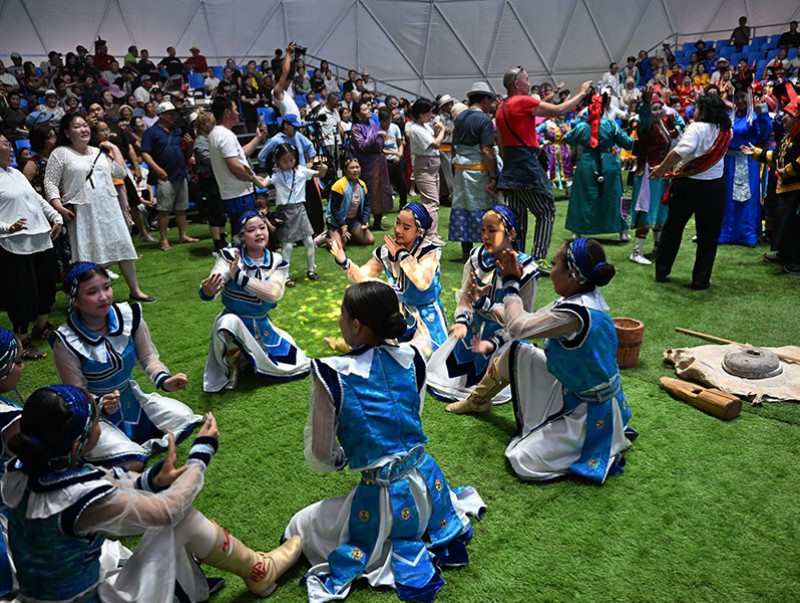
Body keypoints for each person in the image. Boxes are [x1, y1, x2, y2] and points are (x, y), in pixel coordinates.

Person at [2, 385, 303, 602]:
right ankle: (260, 570)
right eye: (95, 422)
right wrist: (201, 454)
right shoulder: (78, 497)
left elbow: (98, 481)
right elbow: (168, 510)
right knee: (183, 519)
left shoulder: (19, 470)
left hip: (44, 594)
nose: (99, 425)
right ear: (75, 445)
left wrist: (151, 481)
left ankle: (203, 582)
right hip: (87, 598)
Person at [284, 280, 485, 602]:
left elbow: (322, 453)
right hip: (432, 489)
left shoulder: (332, 373)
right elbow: (413, 417)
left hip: (382, 497)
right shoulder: (413, 358)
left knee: (302, 523)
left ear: (356, 325)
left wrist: (344, 457)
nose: (339, 321)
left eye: (342, 314)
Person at [447, 238, 636, 484]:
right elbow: (525, 321)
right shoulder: (579, 300)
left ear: (571, 275)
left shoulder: (575, 314)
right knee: (516, 351)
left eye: (555, 264)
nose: (551, 270)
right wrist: (484, 303)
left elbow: (519, 327)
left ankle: (593, 444)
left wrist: (511, 284)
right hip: (573, 387)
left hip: (589, 410)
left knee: (521, 458)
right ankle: (477, 401)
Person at [50, 262, 203, 469]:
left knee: (183, 416)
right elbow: (76, 392)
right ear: (73, 299)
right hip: (95, 412)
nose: (104, 297)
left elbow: (147, 357)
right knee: (130, 459)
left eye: (106, 287)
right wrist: (101, 404)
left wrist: (165, 380)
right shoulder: (66, 340)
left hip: (130, 396)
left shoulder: (129, 315)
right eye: (92, 292)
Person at [427, 206, 538, 403]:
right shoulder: (477, 258)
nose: (485, 236)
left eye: (492, 230)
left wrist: (487, 310)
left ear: (511, 233)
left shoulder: (525, 269)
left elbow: (522, 319)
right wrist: (461, 321)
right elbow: (465, 298)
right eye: (483, 230)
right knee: (444, 375)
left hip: (505, 335)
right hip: (473, 331)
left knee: (494, 380)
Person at [43, 113, 155, 303]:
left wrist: (113, 148)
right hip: (83, 211)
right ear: (67, 132)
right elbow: (50, 183)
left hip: (109, 208)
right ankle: (91, 296)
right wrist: (57, 205)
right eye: (77, 126)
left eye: (85, 125)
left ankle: (135, 290)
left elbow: (120, 172)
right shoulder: (60, 153)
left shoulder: (98, 152)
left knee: (123, 248)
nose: (83, 129)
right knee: (88, 253)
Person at [200, 211, 310, 391]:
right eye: (251, 230)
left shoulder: (277, 261)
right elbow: (216, 279)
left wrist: (240, 278)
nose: (259, 233)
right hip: (235, 319)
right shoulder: (230, 256)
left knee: (298, 362)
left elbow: (273, 294)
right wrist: (208, 290)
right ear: (242, 236)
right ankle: (233, 368)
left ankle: (249, 358)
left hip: (261, 324)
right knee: (227, 322)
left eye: (262, 227)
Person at [496, 66, 592, 268]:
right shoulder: (523, 102)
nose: (530, 83)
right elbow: (560, 110)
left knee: (518, 216)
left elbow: (501, 143)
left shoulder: (501, 107)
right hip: (527, 164)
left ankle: (516, 256)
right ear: (517, 84)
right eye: (527, 79)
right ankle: (538, 257)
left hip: (511, 167)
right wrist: (582, 93)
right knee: (546, 210)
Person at [329, 202, 447, 356]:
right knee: (387, 350)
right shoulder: (386, 252)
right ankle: (357, 344)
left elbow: (423, 283)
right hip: (400, 313)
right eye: (397, 222)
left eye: (406, 227)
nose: (398, 230)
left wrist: (402, 255)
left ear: (420, 231)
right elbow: (363, 277)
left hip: (427, 316)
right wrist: (345, 262)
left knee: (423, 356)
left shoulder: (428, 252)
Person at [651, 93, 733, 289]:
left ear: (703, 110)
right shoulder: (726, 130)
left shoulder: (696, 128)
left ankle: (662, 270)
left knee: (673, 228)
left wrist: (661, 169)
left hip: (688, 185)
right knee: (709, 236)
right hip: (715, 187)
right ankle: (701, 279)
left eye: (696, 107)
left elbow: (679, 152)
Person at [0, 133, 62, 362]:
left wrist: (56, 216)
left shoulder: (16, 173)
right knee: (22, 294)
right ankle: (21, 341)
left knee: (47, 286)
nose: (10, 148)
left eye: (9, 143)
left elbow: (37, 199)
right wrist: (8, 228)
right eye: (5, 144)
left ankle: (42, 326)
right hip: (14, 245)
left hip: (40, 239)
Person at [743, 95, 800, 274]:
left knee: (795, 225)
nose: (782, 118)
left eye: (786, 115)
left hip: (796, 187)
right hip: (786, 186)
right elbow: (777, 156)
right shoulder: (790, 136)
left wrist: (788, 171)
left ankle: (797, 260)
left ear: (796, 117)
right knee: (785, 222)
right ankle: (785, 253)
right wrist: (756, 152)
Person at [564, 93, 635, 239]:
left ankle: (577, 231)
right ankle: (623, 231)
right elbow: (627, 143)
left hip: (587, 164)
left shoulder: (581, 127)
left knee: (582, 196)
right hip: (609, 163)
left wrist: (567, 131)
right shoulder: (611, 125)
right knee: (616, 196)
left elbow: (569, 139)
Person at [629, 87, 685, 265]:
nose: (659, 111)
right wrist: (646, 105)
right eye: (655, 109)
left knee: (661, 209)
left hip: (661, 172)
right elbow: (644, 116)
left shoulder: (663, 122)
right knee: (647, 208)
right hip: (648, 173)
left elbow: (679, 120)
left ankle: (658, 246)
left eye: (660, 108)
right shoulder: (645, 125)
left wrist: (677, 128)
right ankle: (636, 251)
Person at [263, 142, 327, 286]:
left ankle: (311, 270)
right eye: (284, 161)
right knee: (287, 245)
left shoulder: (300, 170)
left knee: (309, 241)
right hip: (285, 211)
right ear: (278, 160)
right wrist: (251, 177)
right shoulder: (276, 174)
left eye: (291, 160)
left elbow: (319, 174)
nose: (288, 163)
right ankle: (285, 276)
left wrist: (324, 169)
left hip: (300, 209)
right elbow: (262, 184)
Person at [449, 82, 500, 261]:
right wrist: (494, 175)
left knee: (462, 205)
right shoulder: (484, 120)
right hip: (478, 171)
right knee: (482, 207)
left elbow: (454, 143)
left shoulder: (460, 118)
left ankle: (466, 250)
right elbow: (486, 150)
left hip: (461, 170)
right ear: (485, 99)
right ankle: (487, 247)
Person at [140, 101, 198, 251]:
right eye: (170, 114)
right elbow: (145, 153)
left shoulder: (177, 131)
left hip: (180, 172)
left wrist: (190, 145)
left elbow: (186, 153)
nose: (173, 117)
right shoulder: (151, 133)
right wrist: (157, 169)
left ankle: (183, 235)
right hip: (164, 175)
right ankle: (164, 239)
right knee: (164, 209)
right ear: (162, 115)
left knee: (181, 207)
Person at [718, 87, 772, 247]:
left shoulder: (754, 117)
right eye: (737, 97)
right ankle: (726, 233)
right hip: (728, 163)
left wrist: (762, 112)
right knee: (727, 198)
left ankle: (747, 234)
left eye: (743, 96)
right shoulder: (730, 117)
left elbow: (765, 133)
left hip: (747, 162)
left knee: (747, 198)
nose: (740, 100)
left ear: (749, 97)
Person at [208, 95, 268, 236]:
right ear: (227, 113)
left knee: (241, 232)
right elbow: (235, 166)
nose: (238, 113)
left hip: (232, 194)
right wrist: (254, 179)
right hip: (239, 195)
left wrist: (258, 138)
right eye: (235, 110)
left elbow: (240, 154)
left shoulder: (216, 133)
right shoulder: (225, 135)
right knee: (247, 233)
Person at [350, 99, 393, 231]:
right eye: (364, 109)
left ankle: (378, 221)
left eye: (368, 108)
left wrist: (380, 137)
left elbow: (381, 141)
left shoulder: (373, 123)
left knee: (382, 189)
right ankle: (365, 221)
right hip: (367, 163)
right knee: (370, 191)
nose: (368, 111)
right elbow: (362, 146)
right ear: (358, 114)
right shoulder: (356, 128)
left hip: (379, 160)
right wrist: (376, 135)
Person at [193, 110, 227, 252]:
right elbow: (207, 159)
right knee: (214, 212)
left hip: (218, 179)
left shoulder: (213, 138)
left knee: (221, 212)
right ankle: (217, 243)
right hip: (209, 181)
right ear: (203, 125)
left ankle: (223, 239)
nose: (214, 125)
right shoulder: (200, 142)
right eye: (211, 123)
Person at [325, 158, 375, 249]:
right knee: (339, 247)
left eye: (357, 167)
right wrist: (343, 225)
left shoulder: (362, 185)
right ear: (345, 170)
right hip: (336, 222)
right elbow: (334, 209)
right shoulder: (339, 185)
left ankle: (347, 235)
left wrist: (365, 220)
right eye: (351, 168)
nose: (355, 170)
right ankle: (327, 238)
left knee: (370, 240)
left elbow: (367, 205)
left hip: (353, 220)